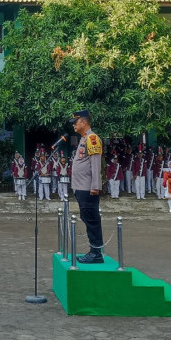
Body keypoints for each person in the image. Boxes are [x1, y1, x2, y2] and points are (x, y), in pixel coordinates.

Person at [69, 110, 104, 264]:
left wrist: (95, 186)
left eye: (75, 123)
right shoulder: (84, 139)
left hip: (88, 188)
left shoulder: (92, 138)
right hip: (81, 188)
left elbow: (96, 164)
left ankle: (96, 253)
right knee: (87, 218)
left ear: (83, 122)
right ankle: (93, 250)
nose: (74, 126)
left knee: (92, 219)